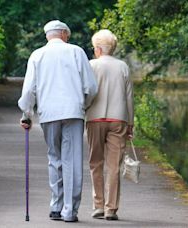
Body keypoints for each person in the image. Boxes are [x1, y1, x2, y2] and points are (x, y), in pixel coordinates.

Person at [18, 20, 98, 222]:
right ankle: (69, 211)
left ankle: (56, 206)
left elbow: (29, 90)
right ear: (63, 33)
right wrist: (84, 105)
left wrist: (26, 114)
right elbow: (91, 87)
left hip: (49, 113)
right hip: (73, 112)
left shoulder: (37, 55)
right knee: (71, 160)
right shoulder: (77, 52)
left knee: (54, 158)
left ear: (48, 36)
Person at [86, 29, 134, 221]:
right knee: (114, 166)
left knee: (95, 163)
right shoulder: (123, 66)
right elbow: (129, 97)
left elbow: (87, 92)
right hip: (118, 119)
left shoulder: (91, 65)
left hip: (95, 119)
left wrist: (84, 109)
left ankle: (98, 205)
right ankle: (111, 209)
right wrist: (130, 123)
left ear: (98, 49)